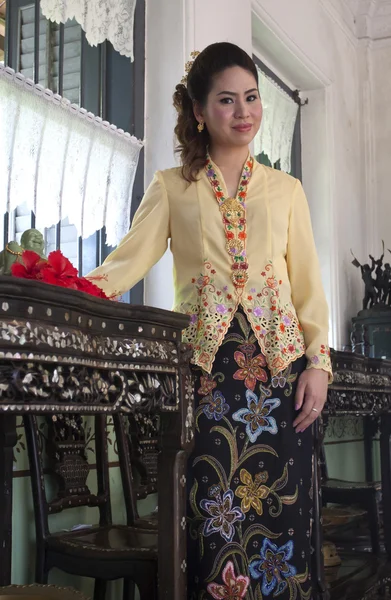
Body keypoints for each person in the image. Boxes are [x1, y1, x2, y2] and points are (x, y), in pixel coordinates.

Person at [88, 42, 332, 600]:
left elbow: (308, 289)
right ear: (199, 110)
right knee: (212, 514)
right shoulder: (173, 187)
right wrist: (58, 284)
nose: (243, 111)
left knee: (287, 515)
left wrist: (317, 364)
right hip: (205, 375)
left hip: (280, 373)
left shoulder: (287, 191)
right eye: (227, 100)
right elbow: (122, 266)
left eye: (251, 98)